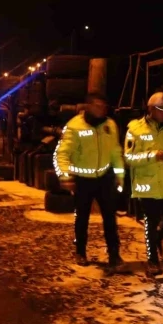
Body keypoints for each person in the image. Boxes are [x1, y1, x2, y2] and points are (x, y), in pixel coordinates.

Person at [54, 92, 126, 274]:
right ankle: (80, 252)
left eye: (104, 105)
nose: (102, 109)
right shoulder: (74, 126)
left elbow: (116, 151)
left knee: (110, 218)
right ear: (88, 106)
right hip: (83, 181)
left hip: (105, 178)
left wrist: (120, 175)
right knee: (82, 217)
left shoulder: (110, 125)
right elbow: (62, 154)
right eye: (97, 105)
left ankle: (114, 254)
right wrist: (65, 177)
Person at [124, 92, 163, 276]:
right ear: (151, 109)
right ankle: (152, 261)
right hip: (147, 187)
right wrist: (151, 156)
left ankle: (157, 238)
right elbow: (128, 158)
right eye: (162, 110)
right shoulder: (135, 129)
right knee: (150, 222)